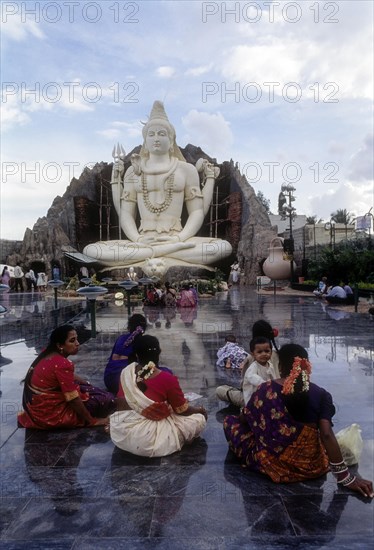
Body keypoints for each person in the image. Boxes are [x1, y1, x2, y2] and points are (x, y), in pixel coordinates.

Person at [83, 100, 232, 276]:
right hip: (142, 240)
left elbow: (197, 212)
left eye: (162, 134)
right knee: (91, 250)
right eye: (151, 134)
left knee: (223, 247)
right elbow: (125, 214)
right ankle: (166, 251)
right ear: (145, 141)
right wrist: (138, 239)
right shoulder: (133, 171)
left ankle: (153, 253)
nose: (156, 138)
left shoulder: (187, 170)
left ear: (171, 141)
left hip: (177, 237)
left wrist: (179, 238)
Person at [223, 343, 373, 497]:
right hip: (313, 467)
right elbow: (326, 434)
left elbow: (245, 418)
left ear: (280, 366)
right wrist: (345, 478)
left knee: (230, 422)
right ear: (307, 366)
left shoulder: (265, 389)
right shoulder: (321, 394)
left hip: (273, 465)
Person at [110, 335, 207, 457]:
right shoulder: (167, 378)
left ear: (137, 355)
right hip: (148, 441)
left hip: (122, 434)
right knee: (198, 420)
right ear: (159, 353)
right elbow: (182, 410)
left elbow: (127, 396)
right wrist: (200, 410)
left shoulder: (126, 372)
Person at [18, 325, 115, 429]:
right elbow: (72, 399)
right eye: (72, 341)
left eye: (77, 339)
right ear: (60, 345)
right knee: (104, 399)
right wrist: (92, 421)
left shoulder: (47, 353)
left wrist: (86, 383)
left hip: (36, 411)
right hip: (50, 416)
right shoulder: (62, 363)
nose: (77, 343)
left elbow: (69, 377)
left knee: (86, 387)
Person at [216, 320, 280, 408]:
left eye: (266, 351)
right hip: (275, 395)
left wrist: (266, 386)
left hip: (255, 399)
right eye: (260, 351)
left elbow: (244, 384)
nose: (264, 354)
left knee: (220, 390)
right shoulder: (278, 354)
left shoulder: (252, 358)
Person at [104, 314, 147, 394]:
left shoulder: (121, 338)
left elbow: (116, 358)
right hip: (127, 384)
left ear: (129, 327)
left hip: (109, 381)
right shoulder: (144, 341)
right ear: (144, 329)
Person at [242, 337, 277, 404]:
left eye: (267, 351)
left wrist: (276, 387)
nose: (264, 354)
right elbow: (252, 377)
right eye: (259, 352)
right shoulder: (253, 367)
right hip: (253, 398)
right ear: (253, 354)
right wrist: (265, 384)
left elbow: (274, 378)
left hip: (266, 393)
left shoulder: (270, 365)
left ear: (271, 352)